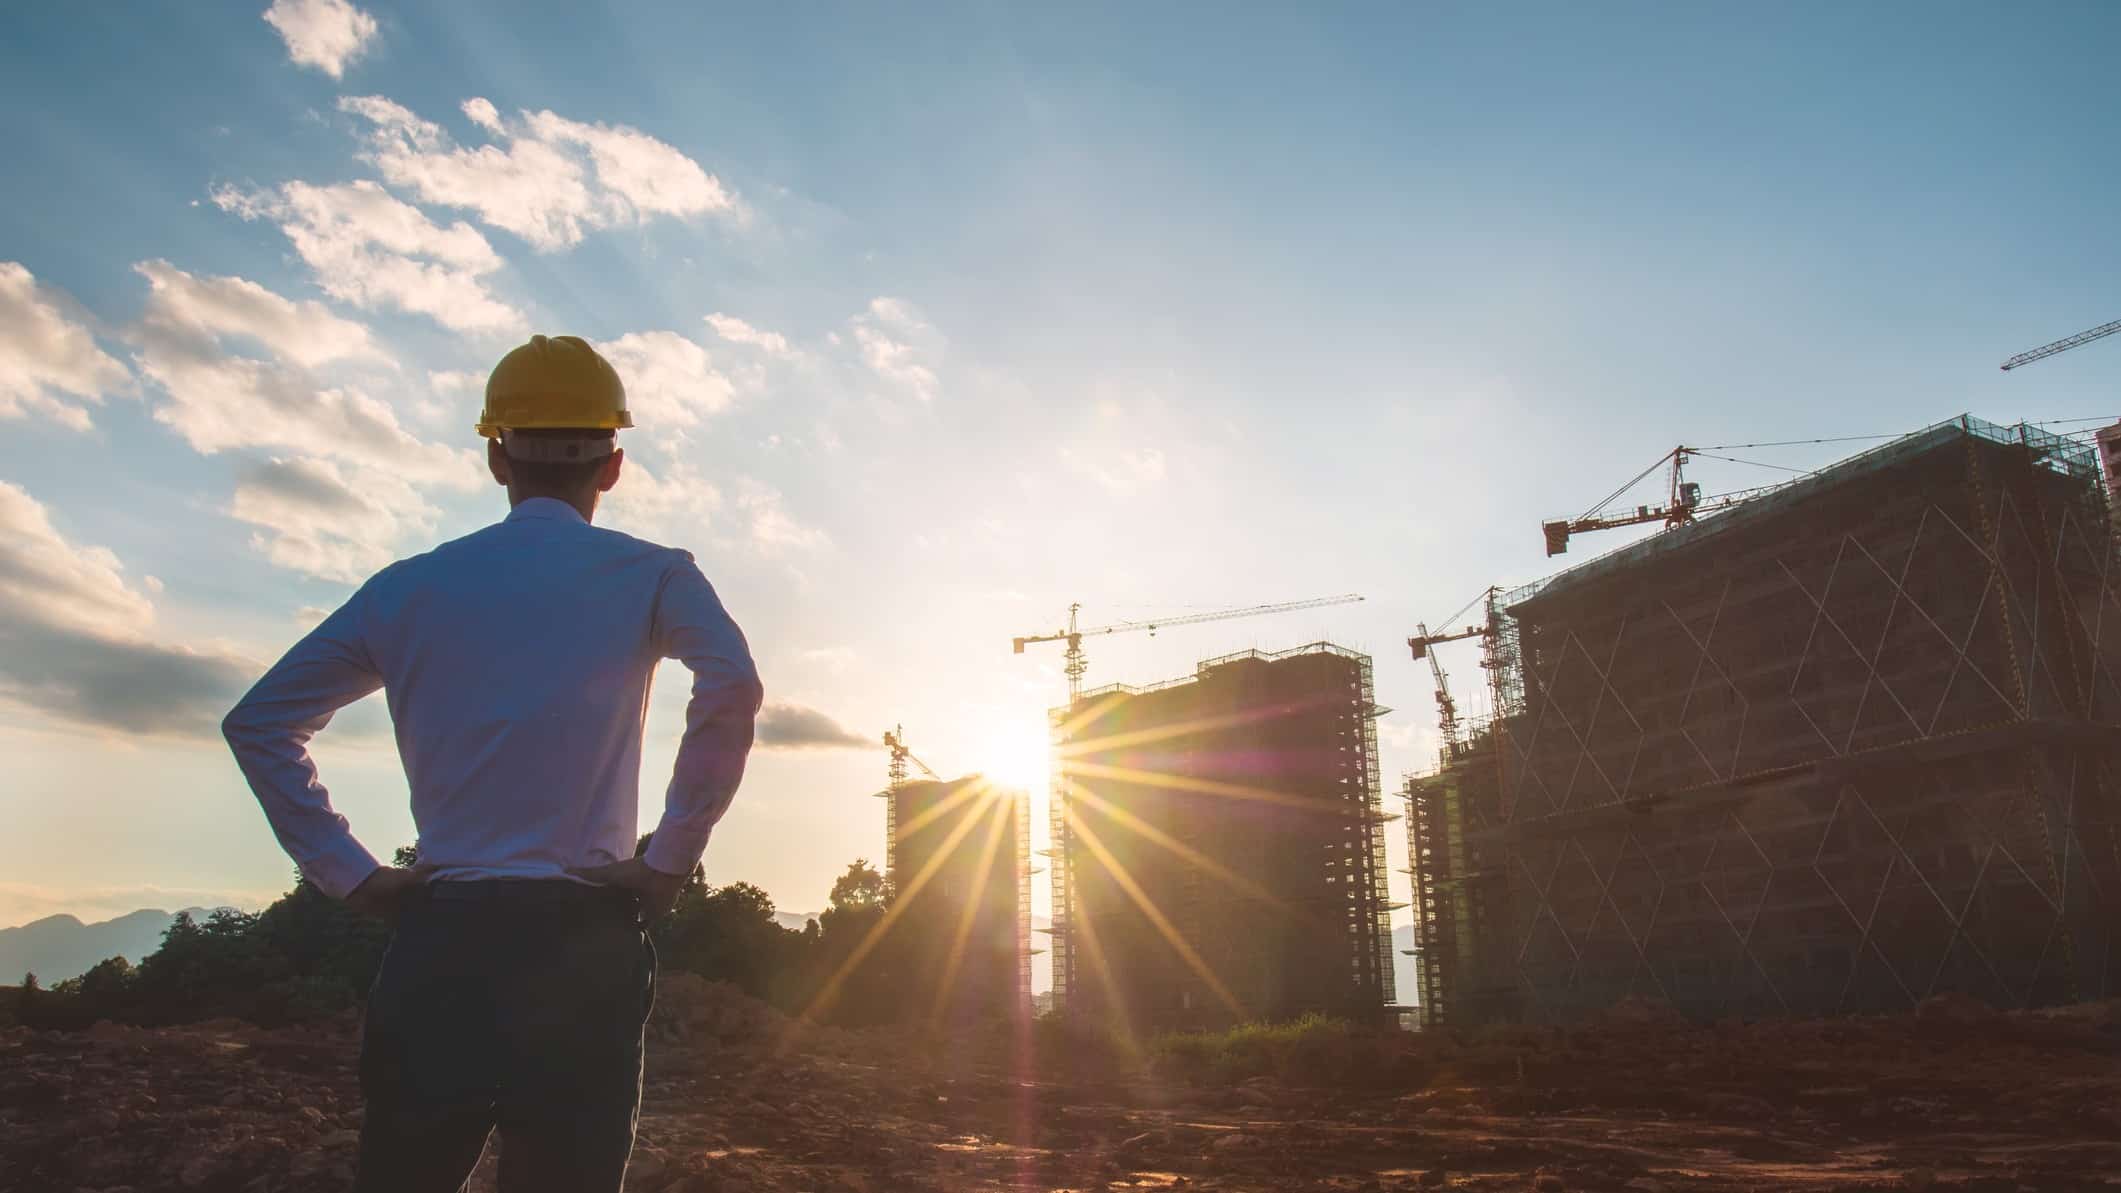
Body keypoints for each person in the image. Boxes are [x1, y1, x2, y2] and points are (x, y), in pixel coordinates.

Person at [223, 334, 764, 1192]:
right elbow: (731, 683)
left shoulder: (407, 588)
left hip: (442, 940)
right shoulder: (654, 575)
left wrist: (353, 876)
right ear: (613, 464)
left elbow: (259, 723)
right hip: (582, 944)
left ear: (493, 455)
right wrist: (670, 856)